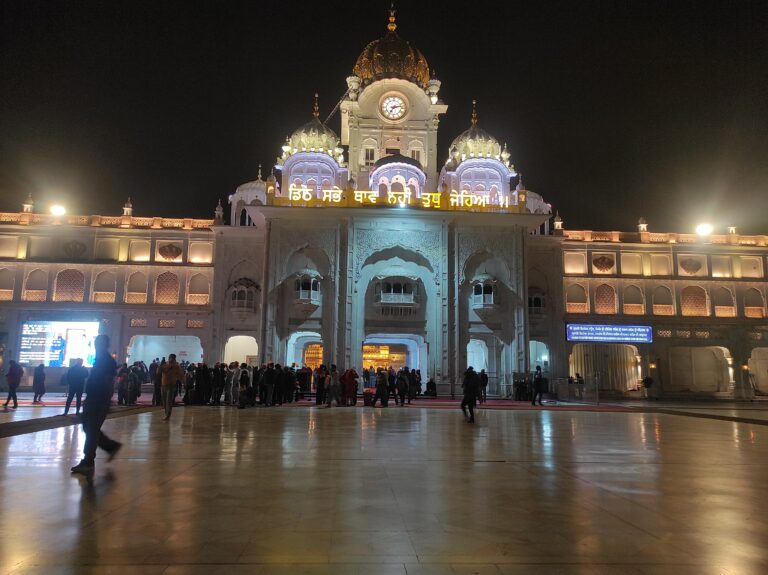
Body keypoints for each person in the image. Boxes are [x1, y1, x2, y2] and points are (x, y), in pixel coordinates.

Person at [71, 335, 122, 476]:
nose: (95, 345)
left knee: (91, 429)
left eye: (98, 343)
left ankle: (88, 461)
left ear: (104, 344)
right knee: (88, 427)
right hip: (94, 397)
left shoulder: (107, 361)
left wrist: (106, 399)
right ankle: (110, 446)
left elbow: (108, 382)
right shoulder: (100, 359)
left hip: (98, 399)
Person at [160, 354, 184, 420]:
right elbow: (158, 372)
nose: (170, 359)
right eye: (169, 357)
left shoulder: (176, 366)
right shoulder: (165, 364)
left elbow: (180, 374)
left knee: (168, 401)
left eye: (171, 358)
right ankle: (166, 413)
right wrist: (161, 365)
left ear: (174, 359)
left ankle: (168, 415)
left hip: (171, 385)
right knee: (164, 402)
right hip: (163, 385)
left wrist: (183, 382)